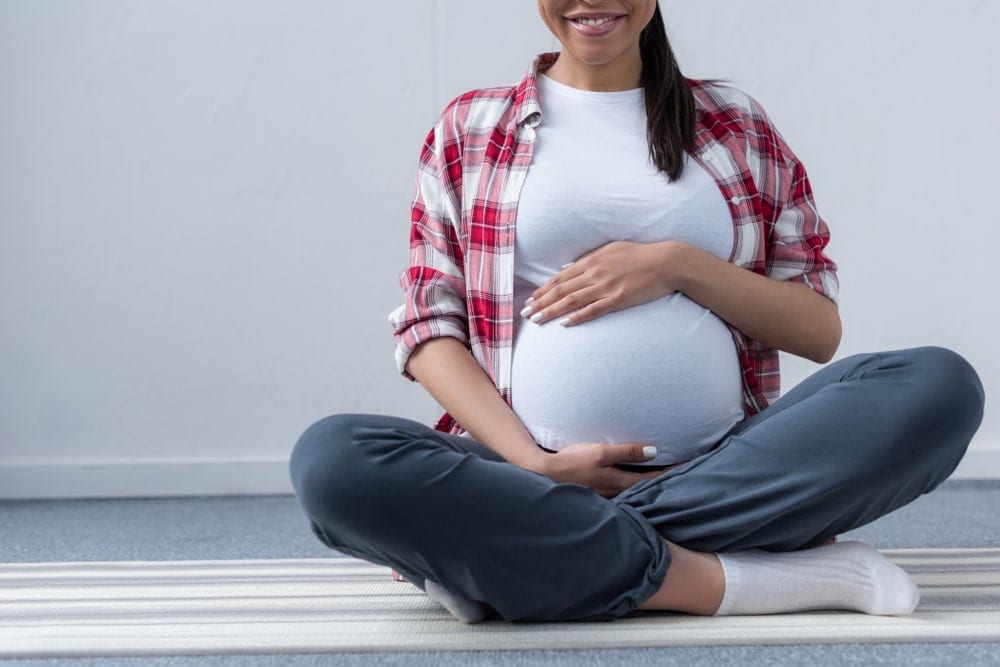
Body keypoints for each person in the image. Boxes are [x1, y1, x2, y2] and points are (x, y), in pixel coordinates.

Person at [289, 1, 985, 623]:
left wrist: (677, 265)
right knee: (331, 461)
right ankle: (727, 578)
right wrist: (535, 466)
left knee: (939, 385)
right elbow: (427, 327)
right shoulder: (470, 127)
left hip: (727, 469)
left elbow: (817, 329)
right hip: (520, 472)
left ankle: (520, 556)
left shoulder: (734, 125)